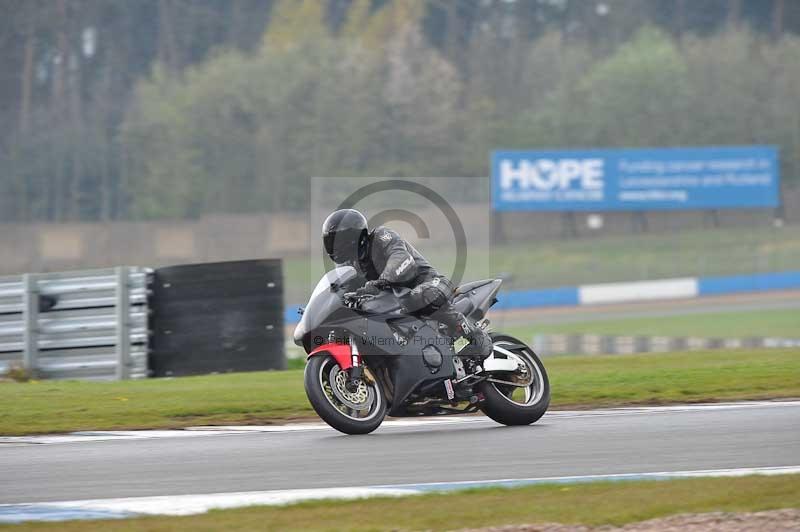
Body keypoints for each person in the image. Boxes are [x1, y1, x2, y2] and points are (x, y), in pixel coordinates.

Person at [321, 208, 491, 357]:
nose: (334, 246)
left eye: (337, 240)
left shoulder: (381, 237)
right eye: (330, 241)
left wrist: (381, 282)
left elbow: (401, 259)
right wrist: (327, 303)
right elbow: (344, 288)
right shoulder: (349, 264)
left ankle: (475, 335)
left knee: (421, 296)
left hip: (430, 283)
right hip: (398, 301)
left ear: (352, 237)